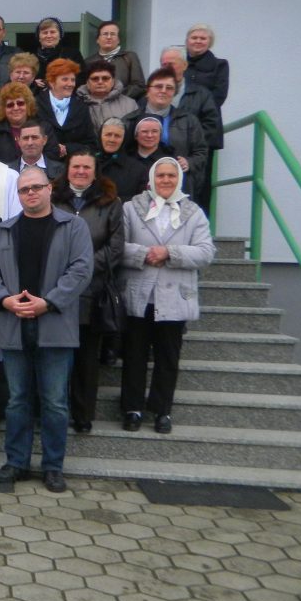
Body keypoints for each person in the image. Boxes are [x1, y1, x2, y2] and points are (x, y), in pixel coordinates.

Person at [0, 167, 93, 493]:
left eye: (36, 187)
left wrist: (50, 302)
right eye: (24, 189)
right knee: (17, 400)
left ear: (49, 189)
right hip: (14, 324)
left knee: (55, 402)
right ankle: (16, 462)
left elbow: (82, 268)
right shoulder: (3, 230)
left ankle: (53, 466)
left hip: (54, 325)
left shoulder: (73, 226)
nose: (30, 193)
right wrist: (4, 300)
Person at [119, 157, 215, 434]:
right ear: (151, 179)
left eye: (171, 176)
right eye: (160, 175)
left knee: (168, 358)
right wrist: (145, 254)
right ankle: (132, 408)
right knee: (134, 355)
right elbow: (117, 245)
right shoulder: (131, 208)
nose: (165, 180)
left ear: (179, 179)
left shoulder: (193, 212)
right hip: (140, 294)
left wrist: (170, 252)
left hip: (174, 299)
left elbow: (206, 252)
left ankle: (162, 410)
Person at [51, 152, 124, 434]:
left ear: (95, 172)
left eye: (86, 167)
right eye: (76, 166)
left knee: (86, 358)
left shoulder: (111, 202)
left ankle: (83, 415)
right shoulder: (53, 198)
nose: (81, 171)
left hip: (91, 292)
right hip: (55, 291)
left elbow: (116, 247)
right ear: (67, 170)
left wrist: (81, 266)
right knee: (55, 357)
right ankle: (53, 410)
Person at [125, 68, 209, 192]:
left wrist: (189, 162)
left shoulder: (189, 120)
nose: (163, 91)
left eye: (169, 88)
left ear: (174, 93)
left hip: (177, 185)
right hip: (136, 185)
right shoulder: (130, 120)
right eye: (159, 86)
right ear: (148, 91)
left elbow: (201, 151)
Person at [159, 46, 222, 211]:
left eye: (171, 64)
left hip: (188, 161)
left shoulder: (201, 94)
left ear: (184, 65)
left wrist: (191, 151)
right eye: (163, 64)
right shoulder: (152, 93)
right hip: (159, 160)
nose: (167, 68)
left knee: (190, 208)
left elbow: (211, 124)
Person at [35, 58, 96, 157]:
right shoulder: (36, 105)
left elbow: (91, 144)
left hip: (74, 166)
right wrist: (53, 147)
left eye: (72, 80)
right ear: (51, 82)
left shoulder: (81, 107)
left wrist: (67, 148)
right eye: (65, 79)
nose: (70, 84)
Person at [0, 82, 55, 165]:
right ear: (3, 109)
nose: (16, 108)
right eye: (10, 105)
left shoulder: (44, 127)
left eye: (20, 103)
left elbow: (52, 155)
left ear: (28, 105)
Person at [77, 59, 138, 133]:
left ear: (113, 81)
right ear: (87, 83)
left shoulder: (130, 105)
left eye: (105, 78)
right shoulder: (76, 104)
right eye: (95, 78)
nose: (100, 82)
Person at [97, 117, 147, 201]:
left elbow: (140, 200)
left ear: (124, 139)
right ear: (100, 136)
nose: (112, 140)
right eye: (108, 134)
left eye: (117, 136)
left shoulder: (137, 169)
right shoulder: (88, 163)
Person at [94, 21, 146, 100]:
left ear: (118, 40)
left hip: (124, 107)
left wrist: (118, 97)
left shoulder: (129, 57)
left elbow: (139, 85)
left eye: (113, 34)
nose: (109, 37)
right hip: (96, 107)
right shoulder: (89, 62)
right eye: (105, 34)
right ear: (97, 39)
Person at [183, 23, 229, 109]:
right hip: (179, 118)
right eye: (194, 38)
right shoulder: (178, 64)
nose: (198, 41)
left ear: (210, 42)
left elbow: (219, 96)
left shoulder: (220, 65)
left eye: (203, 38)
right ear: (187, 41)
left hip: (207, 118)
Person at [31, 17, 84, 88]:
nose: (49, 36)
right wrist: (32, 82)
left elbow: (82, 78)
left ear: (60, 36)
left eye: (52, 32)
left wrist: (61, 82)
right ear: (39, 37)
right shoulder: (31, 58)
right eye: (45, 33)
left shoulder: (72, 54)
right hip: (37, 97)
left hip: (65, 96)